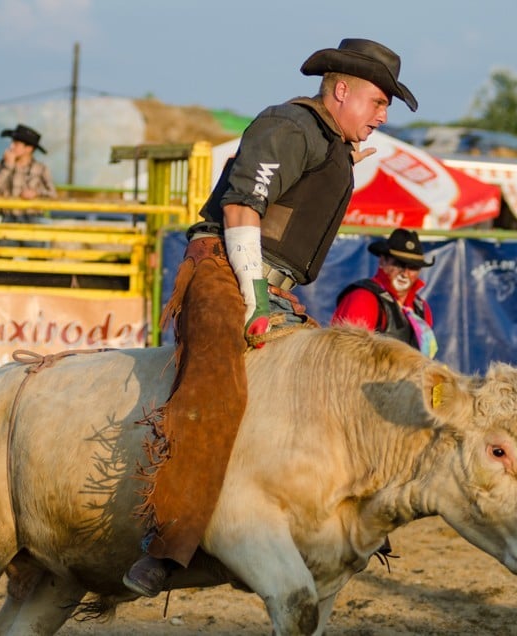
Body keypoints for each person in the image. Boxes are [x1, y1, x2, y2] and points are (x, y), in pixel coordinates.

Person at [122, 38, 417, 598]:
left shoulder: (324, 141)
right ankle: (166, 542)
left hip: (266, 283)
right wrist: (255, 298)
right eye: (378, 102)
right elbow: (240, 207)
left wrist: (336, 164)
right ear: (342, 89)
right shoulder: (290, 125)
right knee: (216, 386)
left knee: (326, 383)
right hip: (222, 272)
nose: (383, 116)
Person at [331, 228, 437, 358]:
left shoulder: (422, 308)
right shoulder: (363, 298)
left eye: (413, 267)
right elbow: (344, 356)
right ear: (382, 261)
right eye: (399, 264)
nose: (405, 273)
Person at [0, 123, 57, 247]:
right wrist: (8, 167)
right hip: (8, 218)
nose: (11, 147)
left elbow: (52, 194)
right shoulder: (2, 166)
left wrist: (36, 194)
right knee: (4, 260)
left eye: (16, 144)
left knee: (35, 260)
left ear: (28, 148)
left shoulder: (41, 169)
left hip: (33, 219)